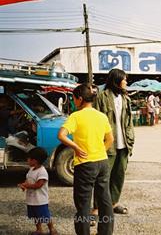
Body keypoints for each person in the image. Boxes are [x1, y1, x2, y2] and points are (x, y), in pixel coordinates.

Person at [58, 84, 114, 235]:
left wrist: (76, 148)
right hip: (102, 162)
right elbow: (110, 139)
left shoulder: (76, 116)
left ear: (80, 99)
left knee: (83, 203)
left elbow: (61, 135)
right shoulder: (101, 116)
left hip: (85, 165)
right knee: (105, 201)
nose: (74, 101)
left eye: (74, 98)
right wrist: (100, 150)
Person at [93, 69, 135, 216]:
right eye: (124, 79)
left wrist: (131, 138)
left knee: (119, 175)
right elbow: (96, 121)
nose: (126, 82)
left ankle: (113, 202)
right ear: (117, 81)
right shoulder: (101, 97)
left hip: (124, 144)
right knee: (103, 177)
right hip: (107, 144)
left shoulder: (126, 99)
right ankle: (97, 207)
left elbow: (129, 122)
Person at [18, 147, 57, 235]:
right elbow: (28, 180)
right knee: (35, 216)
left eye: (29, 159)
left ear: (34, 160)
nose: (27, 160)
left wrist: (28, 186)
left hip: (40, 200)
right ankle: (39, 229)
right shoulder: (31, 170)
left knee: (45, 216)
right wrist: (24, 185)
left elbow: (39, 185)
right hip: (31, 200)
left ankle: (52, 229)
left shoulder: (42, 172)